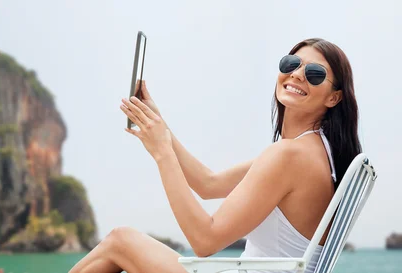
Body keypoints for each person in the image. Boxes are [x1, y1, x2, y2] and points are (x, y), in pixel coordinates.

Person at [68, 38, 362, 273]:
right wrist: (161, 126)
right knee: (119, 243)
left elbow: (205, 241)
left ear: (334, 97)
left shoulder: (290, 155)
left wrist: (161, 153)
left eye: (314, 74)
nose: (298, 74)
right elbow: (208, 184)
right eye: (292, 63)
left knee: (121, 240)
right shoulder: (312, 151)